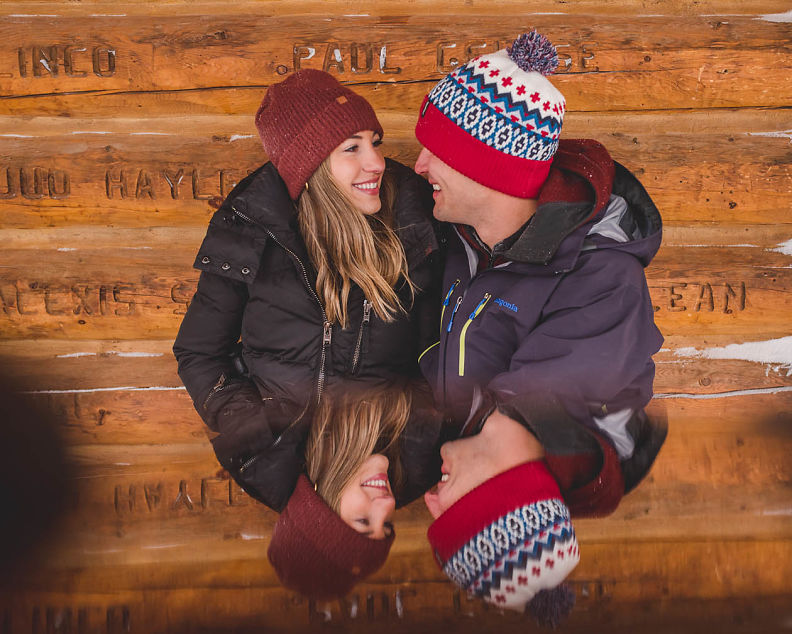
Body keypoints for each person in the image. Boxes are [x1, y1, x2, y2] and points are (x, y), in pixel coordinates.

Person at [413, 31, 666, 625]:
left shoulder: (600, 282)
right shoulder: (464, 244)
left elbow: (540, 409)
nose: (419, 164)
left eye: (436, 151)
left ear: (489, 167)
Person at [173, 69, 442, 598]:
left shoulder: (412, 221)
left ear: (320, 516)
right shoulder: (255, 226)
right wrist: (250, 416)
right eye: (351, 147)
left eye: (374, 143)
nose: (376, 163)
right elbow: (202, 350)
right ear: (311, 165)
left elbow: (441, 348)